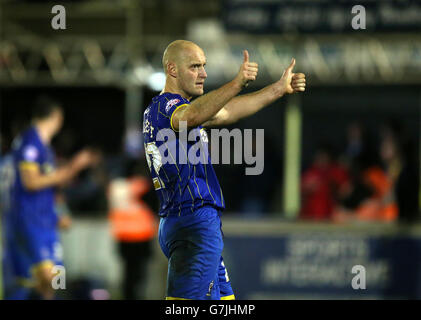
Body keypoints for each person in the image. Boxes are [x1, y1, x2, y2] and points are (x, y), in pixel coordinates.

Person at [142, 40, 306, 300]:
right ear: (172, 69)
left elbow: (228, 111)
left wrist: (277, 89)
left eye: (204, 66)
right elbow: (190, 117)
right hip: (194, 221)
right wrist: (236, 83)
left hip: (183, 220)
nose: (203, 74)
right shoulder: (169, 108)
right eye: (195, 66)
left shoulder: (163, 111)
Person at [2, 96, 96, 300]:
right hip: (33, 222)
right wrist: (73, 167)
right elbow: (32, 182)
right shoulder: (31, 142)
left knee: (50, 281)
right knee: (50, 280)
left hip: (43, 221)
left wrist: (61, 212)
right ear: (57, 117)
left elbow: (51, 187)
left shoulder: (42, 147)